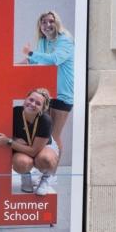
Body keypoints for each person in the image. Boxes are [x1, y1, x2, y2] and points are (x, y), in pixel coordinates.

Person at [21, 10, 75, 149]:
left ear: (57, 23)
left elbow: (54, 60)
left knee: (54, 136)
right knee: (43, 135)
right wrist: (23, 61)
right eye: (44, 22)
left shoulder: (65, 40)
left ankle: (52, 171)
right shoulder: (43, 41)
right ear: (40, 26)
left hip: (63, 95)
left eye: (51, 21)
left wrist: (31, 53)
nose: (47, 25)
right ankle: (42, 169)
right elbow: (37, 61)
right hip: (47, 94)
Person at [0, 87, 58, 196]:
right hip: (23, 149)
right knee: (22, 163)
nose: (33, 104)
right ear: (26, 99)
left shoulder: (45, 120)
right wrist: (14, 139)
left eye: (38, 103)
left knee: (46, 159)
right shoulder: (15, 112)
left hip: (42, 148)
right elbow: (7, 131)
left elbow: (34, 151)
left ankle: (46, 178)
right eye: (31, 100)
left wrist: (9, 142)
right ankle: (26, 176)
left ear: (43, 108)